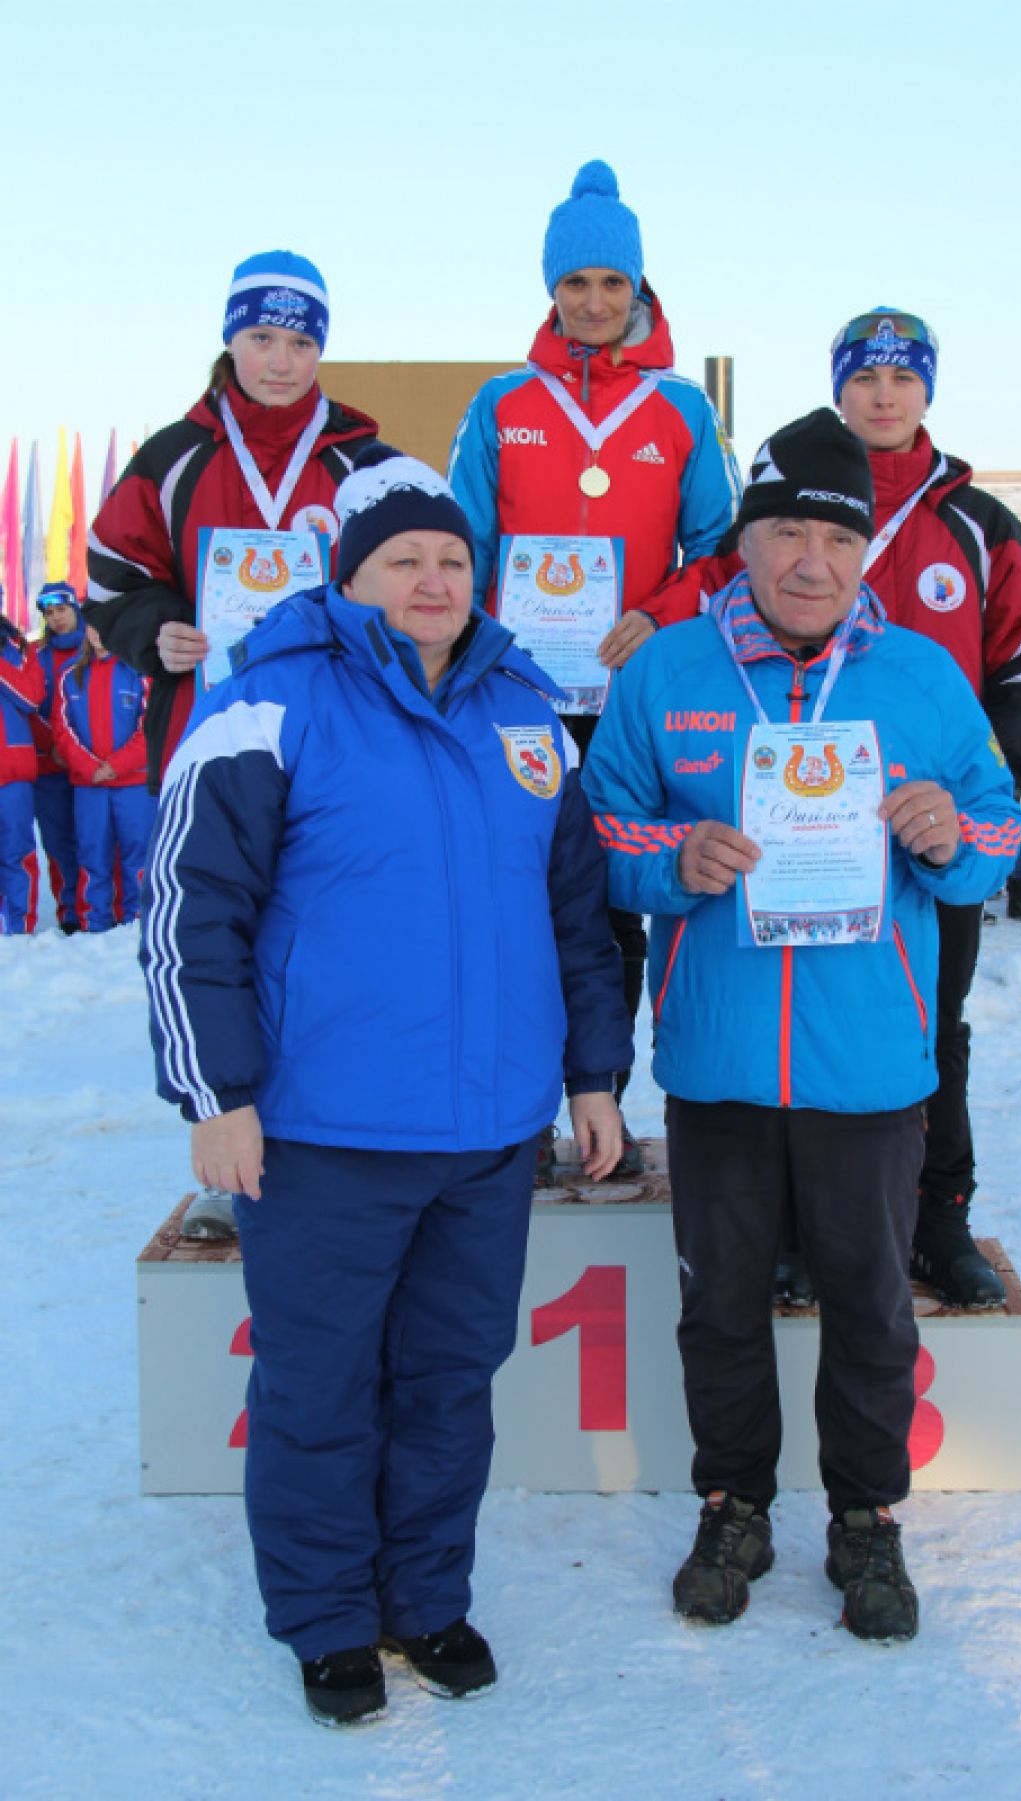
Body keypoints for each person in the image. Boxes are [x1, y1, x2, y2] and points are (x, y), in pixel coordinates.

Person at [140, 449, 630, 1726]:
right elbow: (193, 908)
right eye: (403, 558)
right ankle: (325, 1618)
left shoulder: (526, 713)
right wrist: (215, 1092)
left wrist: (592, 1075)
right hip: (324, 1133)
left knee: (450, 1379)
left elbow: (576, 917)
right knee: (317, 1389)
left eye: (452, 559)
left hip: (487, 1133)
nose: (432, 579)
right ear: (348, 575)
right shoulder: (267, 702)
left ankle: (425, 1597)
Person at [583, 409, 1021, 1642]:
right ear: (745, 542)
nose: (811, 562)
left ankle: (866, 1516)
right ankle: (734, 1503)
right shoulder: (667, 671)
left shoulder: (922, 676)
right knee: (720, 1304)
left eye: (837, 538)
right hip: (720, 1059)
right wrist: (674, 857)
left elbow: (1002, 827)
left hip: (871, 1063)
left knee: (871, 1305)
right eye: (785, 533)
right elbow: (600, 829)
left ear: (866, 548)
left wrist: (952, 835)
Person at [645, 309, 1021, 1305]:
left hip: (915, 843)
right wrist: (633, 625)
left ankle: (939, 1216)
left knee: (933, 1028)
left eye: (903, 377)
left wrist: (970, 805)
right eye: (865, 376)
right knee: (784, 1033)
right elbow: (703, 597)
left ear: (928, 391)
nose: (884, 394)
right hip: (779, 839)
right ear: (839, 388)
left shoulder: (977, 522)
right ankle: (791, 1230)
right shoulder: (785, 492)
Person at [447, 160, 741, 1176]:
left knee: (614, 900)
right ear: (551, 289)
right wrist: (480, 648)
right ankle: (515, 1108)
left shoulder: (681, 408)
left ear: (639, 286)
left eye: (613, 282)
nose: (595, 302)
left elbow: (721, 549)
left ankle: (600, 1103)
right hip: (517, 698)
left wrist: (656, 614)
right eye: (575, 283)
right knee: (514, 897)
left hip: (628, 699)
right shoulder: (502, 403)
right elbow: (462, 546)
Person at [86, 250, 378, 1233]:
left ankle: (336, 1138)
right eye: (261, 337)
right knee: (213, 937)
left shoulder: (360, 461)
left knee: (330, 936)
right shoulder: (174, 455)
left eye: (300, 341)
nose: (280, 361)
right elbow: (110, 575)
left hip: (335, 749)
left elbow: (409, 582)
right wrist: (156, 629)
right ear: (230, 338)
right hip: (206, 741)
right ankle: (226, 1147)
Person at [54, 627, 155, 931]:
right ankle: (93, 922)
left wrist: (116, 765)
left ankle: (137, 921)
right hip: (91, 786)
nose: (97, 632)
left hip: (133, 783)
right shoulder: (70, 674)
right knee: (92, 853)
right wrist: (89, 767)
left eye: (104, 624)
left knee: (138, 853)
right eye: (92, 625)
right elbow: (62, 729)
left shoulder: (139, 671)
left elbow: (151, 727)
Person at [31, 583, 85, 934]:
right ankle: (69, 912)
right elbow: (30, 708)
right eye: (49, 613)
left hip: (91, 764)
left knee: (95, 840)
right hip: (50, 767)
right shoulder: (36, 655)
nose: (56, 618)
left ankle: (98, 906)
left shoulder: (96, 648)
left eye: (62, 610)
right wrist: (55, 746)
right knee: (58, 841)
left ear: (75, 609)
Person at [0, 591, 44, 935]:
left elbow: (31, 698)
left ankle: (20, 928)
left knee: (17, 853)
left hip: (12, 770)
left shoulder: (18, 648)